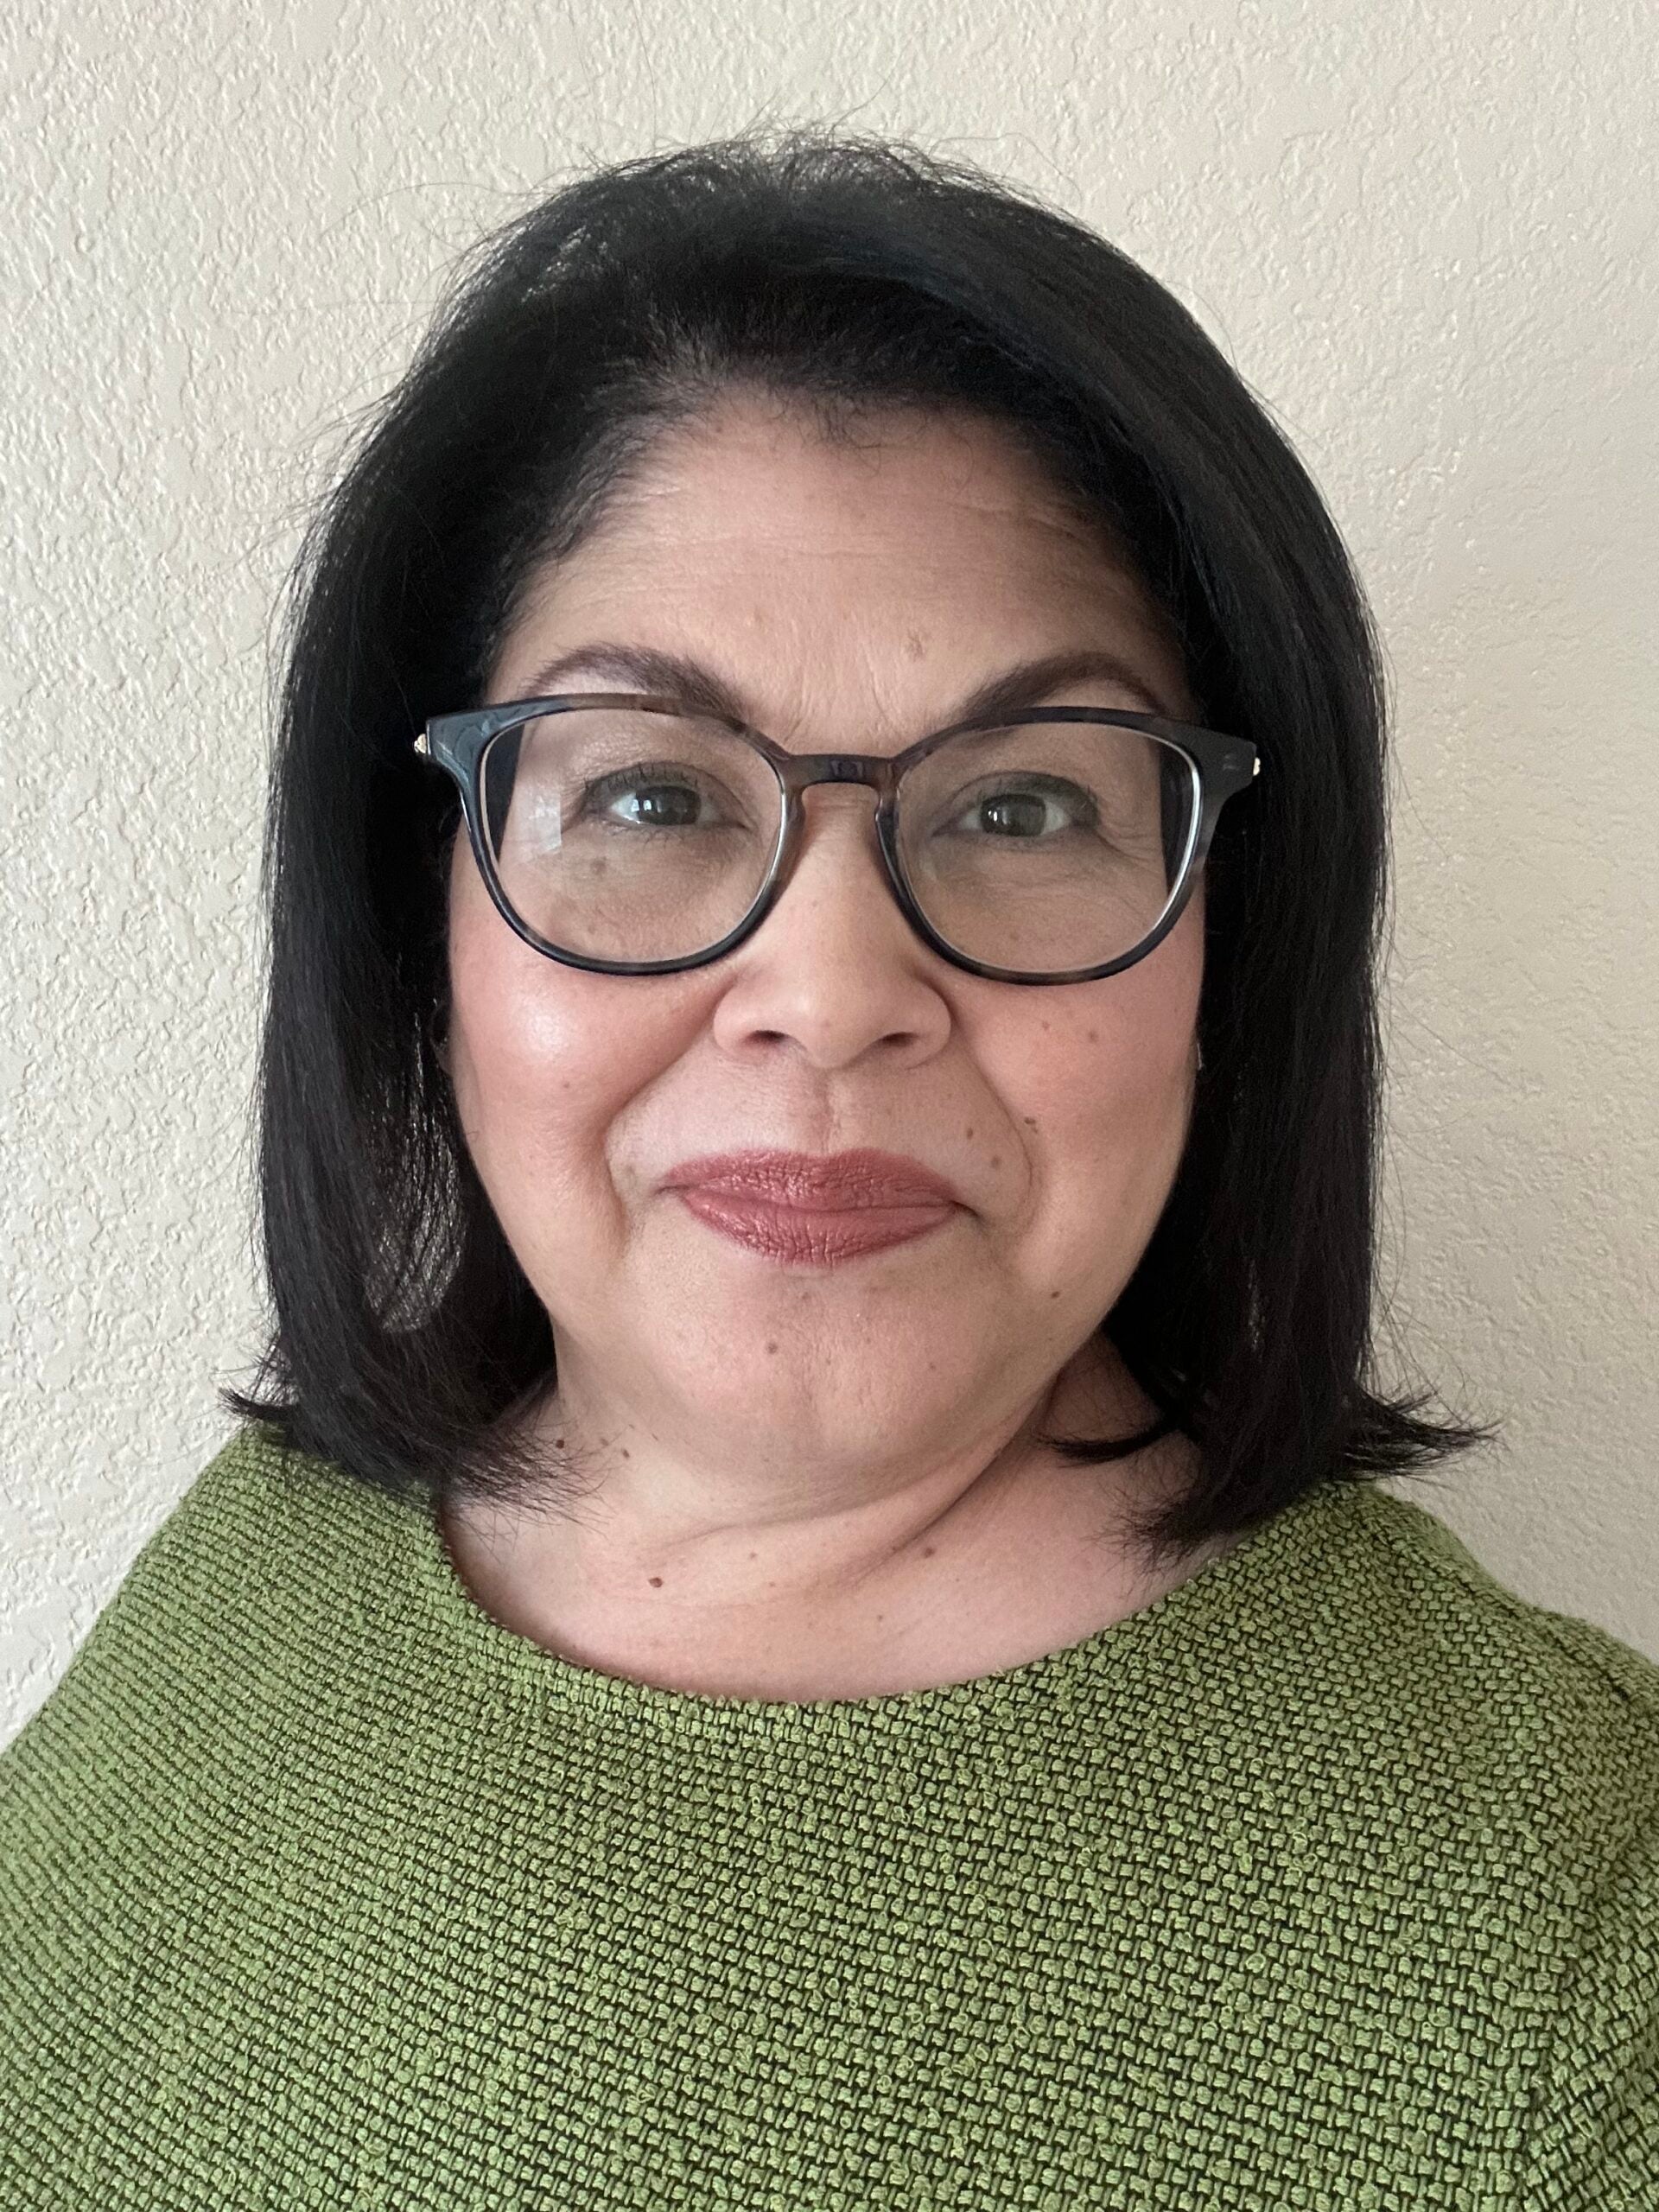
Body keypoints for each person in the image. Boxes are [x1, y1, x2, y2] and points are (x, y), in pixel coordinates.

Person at [2, 128, 1654, 2208]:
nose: (832, 988)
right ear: (420, 917)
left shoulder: (1586, 1950)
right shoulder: (267, 1552)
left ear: (1237, 942)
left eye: (1031, 806)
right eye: (654, 788)